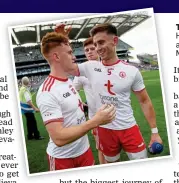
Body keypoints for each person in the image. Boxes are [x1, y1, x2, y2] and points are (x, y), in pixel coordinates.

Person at [55, 23, 163, 163]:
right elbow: (65, 66)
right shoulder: (90, 67)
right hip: (104, 129)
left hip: (128, 127)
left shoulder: (132, 71)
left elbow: (144, 101)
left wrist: (155, 132)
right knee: (112, 164)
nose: (98, 48)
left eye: (101, 42)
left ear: (115, 41)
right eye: (95, 44)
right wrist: (61, 40)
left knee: (141, 163)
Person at [36, 31, 116, 170]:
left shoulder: (68, 81)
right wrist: (96, 121)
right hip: (63, 159)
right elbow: (59, 138)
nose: (74, 57)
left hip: (84, 150)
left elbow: (69, 107)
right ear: (56, 56)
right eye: (69, 53)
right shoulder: (47, 92)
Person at [72, 37, 106, 164]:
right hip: (96, 118)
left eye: (92, 48)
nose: (90, 51)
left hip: (115, 115)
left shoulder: (107, 67)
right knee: (101, 148)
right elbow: (72, 91)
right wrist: (80, 102)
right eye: (87, 50)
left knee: (116, 147)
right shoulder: (82, 72)